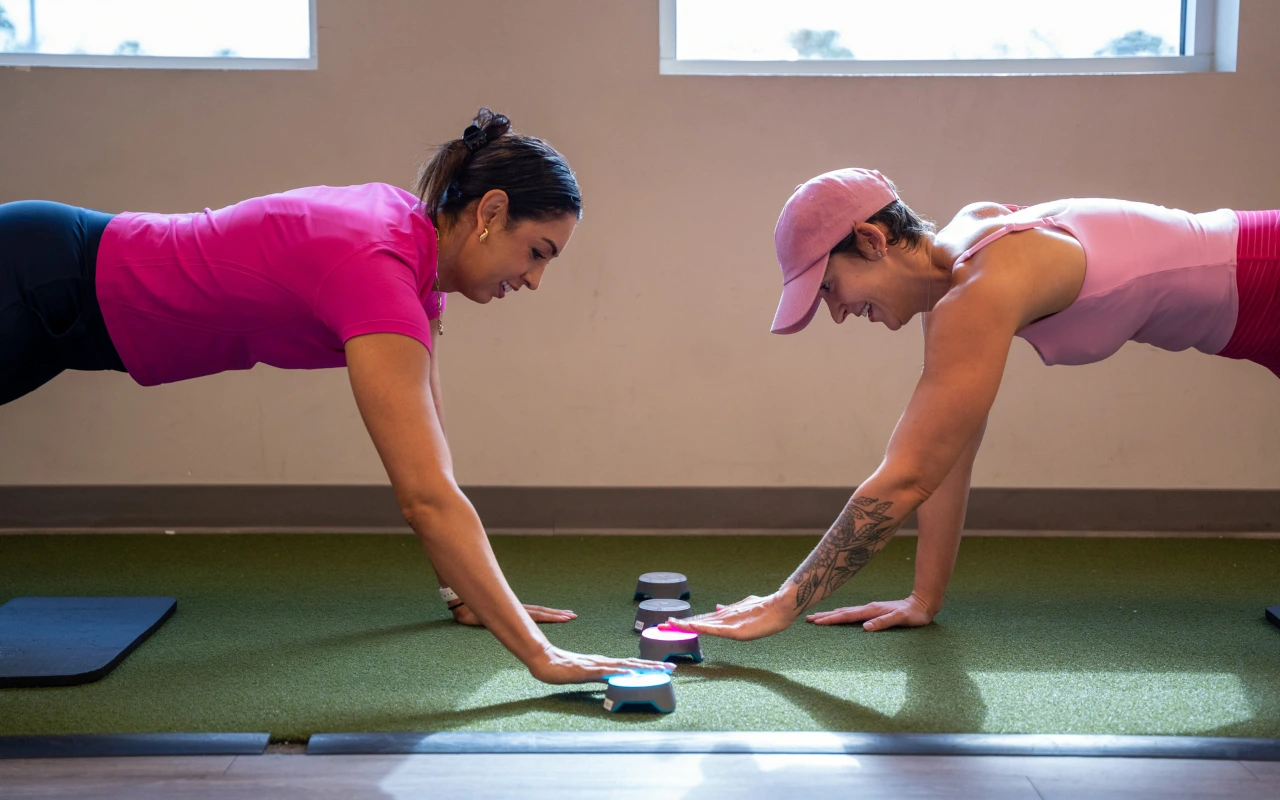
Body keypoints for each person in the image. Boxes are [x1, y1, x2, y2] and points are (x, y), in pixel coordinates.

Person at [0, 108, 672, 684]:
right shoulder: (378, 267)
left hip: (63, 302)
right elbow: (425, 497)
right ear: (491, 213)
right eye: (538, 251)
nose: (535, 280)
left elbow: (430, 452)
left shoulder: (416, 261)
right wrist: (540, 655)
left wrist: (465, 591)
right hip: (37, 278)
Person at [670, 167, 1279, 641]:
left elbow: (905, 479)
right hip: (1256, 310)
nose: (835, 311)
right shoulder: (961, 269)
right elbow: (946, 455)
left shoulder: (980, 288)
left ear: (872, 239)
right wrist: (923, 598)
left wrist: (785, 604)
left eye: (830, 287)